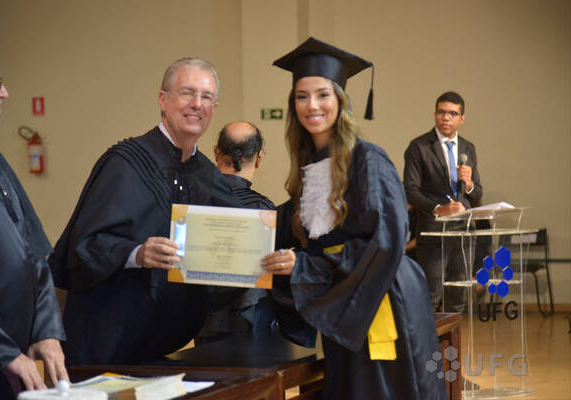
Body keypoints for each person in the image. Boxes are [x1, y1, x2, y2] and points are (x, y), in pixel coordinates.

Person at [261, 37, 445, 399]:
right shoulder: (310, 168)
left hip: (380, 299)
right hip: (344, 300)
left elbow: (386, 242)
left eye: (323, 94)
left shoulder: (367, 159)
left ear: (340, 100)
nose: (312, 105)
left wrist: (304, 268)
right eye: (301, 96)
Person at [48, 57, 243, 365]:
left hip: (165, 348)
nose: (197, 104)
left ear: (214, 108)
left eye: (206, 97)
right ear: (163, 99)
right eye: (187, 93)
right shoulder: (125, 163)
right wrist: (136, 253)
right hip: (105, 343)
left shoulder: (208, 177)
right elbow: (84, 247)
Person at [0, 34, 68, 399]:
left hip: (10, 364)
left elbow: (32, 252)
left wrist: (46, 330)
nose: (5, 93)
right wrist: (3, 353)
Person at [196, 121, 276, 344]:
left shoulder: (192, 202)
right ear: (259, 158)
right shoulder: (263, 210)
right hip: (250, 320)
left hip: (200, 317)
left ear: (216, 152)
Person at [403, 91, 483, 312]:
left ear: (462, 118)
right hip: (433, 232)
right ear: (435, 114)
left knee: (458, 298)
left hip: (464, 232)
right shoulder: (419, 147)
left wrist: (469, 184)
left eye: (452, 113)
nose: (446, 117)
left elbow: (477, 195)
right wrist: (439, 209)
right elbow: (410, 191)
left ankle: (453, 337)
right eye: (441, 112)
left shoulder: (468, 148)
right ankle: (428, 337)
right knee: (430, 296)